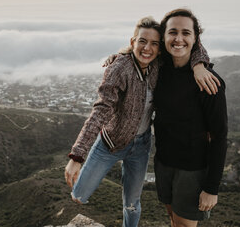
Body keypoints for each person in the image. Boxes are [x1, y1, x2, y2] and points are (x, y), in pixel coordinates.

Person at [64, 16, 218, 227]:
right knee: (79, 195)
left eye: (155, 43)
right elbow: (100, 111)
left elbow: (192, 46)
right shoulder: (120, 69)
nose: (148, 48)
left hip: (141, 146)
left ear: (160, 48)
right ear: (132, 42)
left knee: (132, 202)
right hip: (110, 143)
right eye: (142, 41)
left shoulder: (159, 65)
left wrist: (200, 65)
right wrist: (77, 155)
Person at [153, 8, 228, 227]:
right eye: (172, 32)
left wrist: (211, 188)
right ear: (164, 36)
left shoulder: (208, 82)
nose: (178, 38)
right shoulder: (160, 69)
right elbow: (140, 50)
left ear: (196, 39)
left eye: (186, 33)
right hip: (163, 163)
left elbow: (220, 137)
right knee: (173, 220)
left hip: (192, 170)